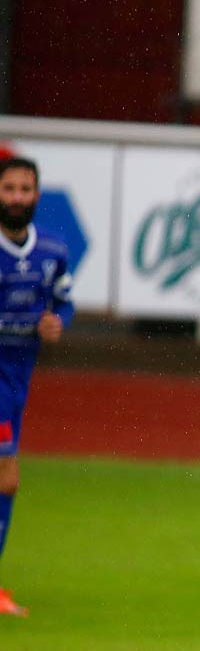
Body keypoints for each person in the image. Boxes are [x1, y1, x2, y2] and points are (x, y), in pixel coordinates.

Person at [0, 157, 73, 619]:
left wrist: (56, 324)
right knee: (7, 475)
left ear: (37, 195)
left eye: (25, 189)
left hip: (19, 373)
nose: (17, 197)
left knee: (6, 478)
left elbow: (65, 303)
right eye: (9, 188)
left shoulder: (52, 249)